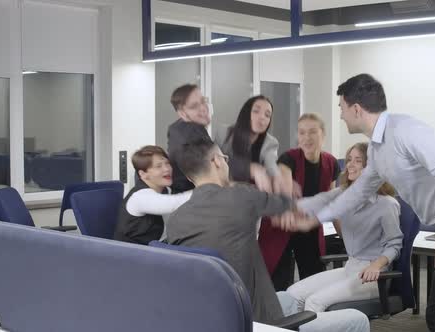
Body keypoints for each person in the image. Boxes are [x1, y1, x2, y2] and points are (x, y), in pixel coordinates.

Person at [275, 74, 435, 332]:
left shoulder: (405, 131)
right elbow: (355, 193)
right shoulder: (377, 148)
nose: (340, 115)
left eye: (341, 108)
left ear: (356, 109)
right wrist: (308, 211)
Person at [166, 137, 370, 332]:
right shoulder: (240, 196)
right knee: (356, 319)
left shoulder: (176, 219)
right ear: (216, 161)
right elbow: (299, 207)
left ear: (189, 176)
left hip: (214, 316)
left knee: (289, 297)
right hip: (258, 321)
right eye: (225, 159)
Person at [285, 142, 403, 312]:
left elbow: (394, 244)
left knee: (314, 302)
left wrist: (376, 266)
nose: (350, 165)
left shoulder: (387, 204)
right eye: (349, 160)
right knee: (293, 294)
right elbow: (318, 202)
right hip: (350, 267)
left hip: (373, 275)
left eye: (357, 161)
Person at [259, 113, 341, 291]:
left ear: (323, 135)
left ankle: (311, 315)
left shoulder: (331, 163)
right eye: (302, 132)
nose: (306, 138)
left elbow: (331, 202)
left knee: (313, 280)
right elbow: (285, 190)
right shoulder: (289, 158)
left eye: (312, 132)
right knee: (278, 282)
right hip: (282, 224)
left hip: (309, 227)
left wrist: (345, 236)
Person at [114, 145, 192, 245]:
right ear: (143, 174)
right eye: (159, 166)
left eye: (167, 163)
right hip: (132, 254)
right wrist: (208, 186)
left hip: (156, 247)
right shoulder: (140, 197)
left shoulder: (165, 190)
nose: (167, 169)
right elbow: (173, 204)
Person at [213, 95, 283, 194]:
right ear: (246, 113)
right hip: (222, 192)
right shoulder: (224, 133)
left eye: (267, 115)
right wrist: (250, 168)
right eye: (256, 111)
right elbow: (215, 164)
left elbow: (272, 168)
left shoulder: (270, 142)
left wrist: (278, 178)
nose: (262, 117)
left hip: (250, 197)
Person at [167, 83, 211, 194]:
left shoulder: (176, 128)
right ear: (182, 114)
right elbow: (218, 166)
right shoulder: (193, 131)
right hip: (195, 202)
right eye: (194, 106)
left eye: (203, 101)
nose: (203, 108)